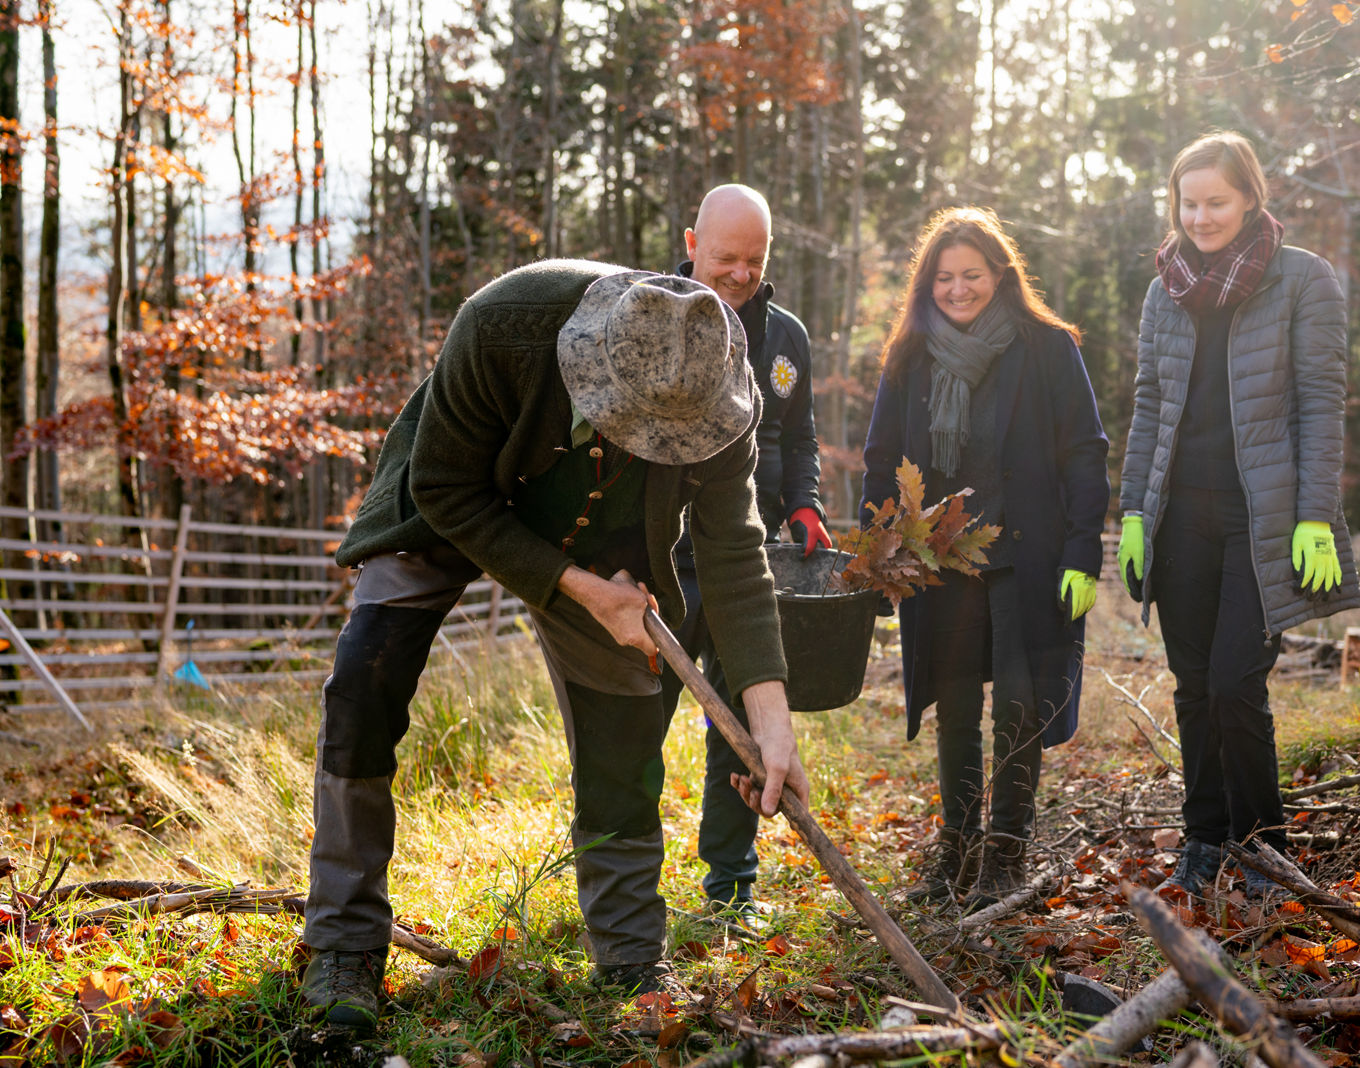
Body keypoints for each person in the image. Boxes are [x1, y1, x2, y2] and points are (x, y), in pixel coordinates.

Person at [300, 261, 810, 1032]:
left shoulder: (715, 378)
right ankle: (343, 941)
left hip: (603, 528)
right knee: (364, 678)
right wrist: (575, 585)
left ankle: (632, 953)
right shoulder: (503, 324)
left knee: (626, 721)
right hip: (458, 497)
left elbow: (735, 554)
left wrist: (771, 722)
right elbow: (444, 487)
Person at [1117, 131, 1360, 899]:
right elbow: (1150, 405)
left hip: (1264, 520)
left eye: (1216, 202)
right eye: (1188, 203)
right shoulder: (1167, 287)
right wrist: (1132, 511)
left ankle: (1263, 846)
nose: (1200, 217)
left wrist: (1314, 516)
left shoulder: (1301, 280)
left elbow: (1322, 405)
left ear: (1251, 197)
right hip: (1179, 513)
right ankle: (1204, 838)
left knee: (1234, 681)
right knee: (1191, 683)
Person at [860, 207, 1110, 908]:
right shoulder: (911, 354)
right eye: (944, 277)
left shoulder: (1047, 346)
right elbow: (881, 458)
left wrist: (1084, 552)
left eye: (971, 275)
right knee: (957, 706)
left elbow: (1085, 450)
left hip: (1029, 556)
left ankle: (1006, 854)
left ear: (999, 274)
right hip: (941, 565)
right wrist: (881, 546)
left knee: (1022, 705)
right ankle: (956, 852)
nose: (958, 289)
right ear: (927, 283)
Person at [656, 184, 829, 921]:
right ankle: (625, 895)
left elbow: (799, 434)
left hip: (744, 563)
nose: (738, 272)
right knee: (636, 725)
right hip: (660, 559)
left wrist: (804, 501)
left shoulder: (786, 338)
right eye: (724, 256)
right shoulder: (649, 316)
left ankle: (731, 888)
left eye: (753, 260)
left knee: (741, 728)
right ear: (693, 244)